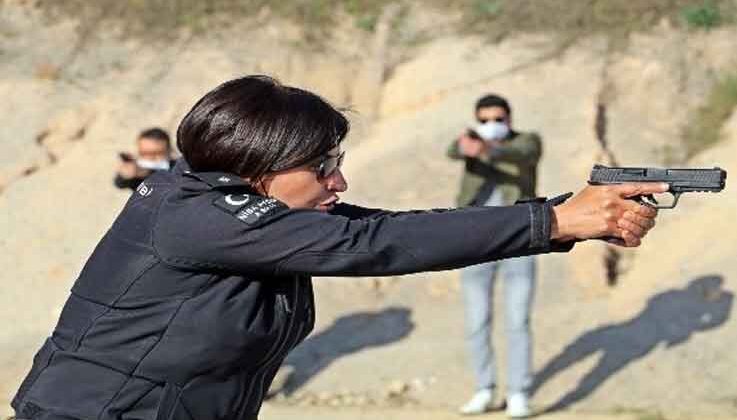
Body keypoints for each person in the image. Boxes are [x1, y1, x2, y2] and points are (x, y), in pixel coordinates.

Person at [12, 75, 664, 420]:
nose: (337, 180)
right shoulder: (195, 212)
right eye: (322, 165)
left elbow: (389, 227)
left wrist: (553, 214)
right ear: (259, 165)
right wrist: (552, 223)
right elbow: (371, 243)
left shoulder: (243, 217)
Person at [446, 94, 542, 417]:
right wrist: (466, 146)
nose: (492, 125)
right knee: (477, 320)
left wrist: (490, 149)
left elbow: (524, 154)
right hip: (476, 239)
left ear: (509, 119)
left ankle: (518, 393)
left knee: (517, 320)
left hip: (521, 238)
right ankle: (484, 389)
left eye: (498, 119)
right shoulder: (472, 140)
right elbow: (452, 151)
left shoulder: (526, 141)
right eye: (484, 120)